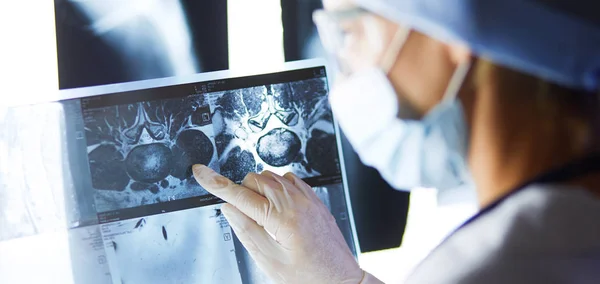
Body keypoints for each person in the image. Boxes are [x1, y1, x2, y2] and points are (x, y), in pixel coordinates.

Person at [192, 0, 600, 283]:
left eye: (349, 31)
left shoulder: (506, 266)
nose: (345, 70)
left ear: (450, 34)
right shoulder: (568, 230)